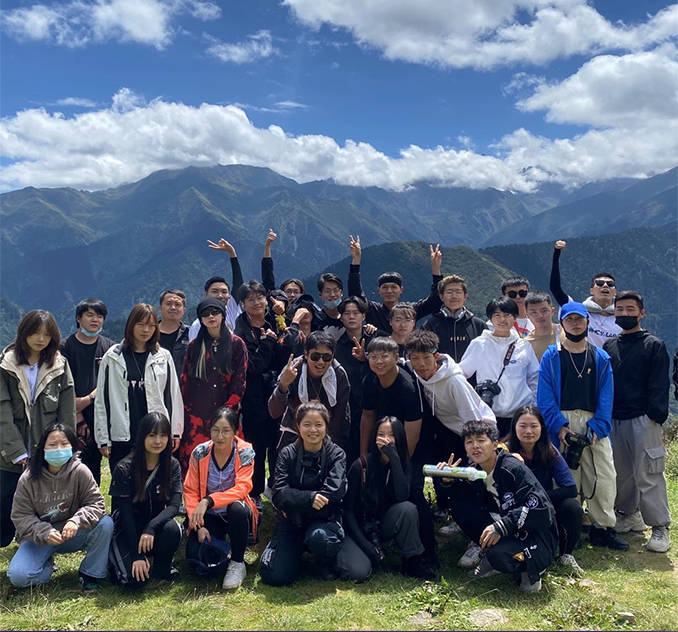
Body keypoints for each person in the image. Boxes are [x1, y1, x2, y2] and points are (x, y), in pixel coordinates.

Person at [537, 301, 628, 550]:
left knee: (603, 475)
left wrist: (598, 427)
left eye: (579, 319)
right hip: (561, 421)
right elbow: (544, 398)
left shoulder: (601, 357)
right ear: (562, 324)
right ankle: (571, 529)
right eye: (570, 319)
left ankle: (602, 527)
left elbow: (607, 397)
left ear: (588, 321)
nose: (575, 323)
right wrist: (558, 427)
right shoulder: (552, 356)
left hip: (593, 420)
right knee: (567, 479)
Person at [437, 420, 558, 593]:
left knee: (499, 556)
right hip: (509, 528)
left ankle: (533, 568)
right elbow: (459, 501)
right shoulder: (474, 471)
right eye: (469, 442)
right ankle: (490, 554)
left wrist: (502, 526)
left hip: (537, 535)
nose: (475, 446)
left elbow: (542, 509)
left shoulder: (512, 467)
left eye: (481, 440)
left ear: (495, 444)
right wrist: (447, 480)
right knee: (459, 504)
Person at [1, 310, 76, 548]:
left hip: (47, 449)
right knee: (5, 501)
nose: (41, 339)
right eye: (35, 332)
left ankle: (37, 548)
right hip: (9, 452)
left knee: (44, 503)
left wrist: (64, 447)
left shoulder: (59, 365)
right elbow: (2, 411)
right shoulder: (6, 365)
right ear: (24, 332)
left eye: (47, 334)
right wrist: (16, 451)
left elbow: (67, 411)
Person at [603, 291, 671, 553]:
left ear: (641, 313)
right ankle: (628, 514)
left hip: (644, 417)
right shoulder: (610, 346)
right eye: (620, 310)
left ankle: (660, 526)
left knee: (649, 473)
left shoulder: (653, 345)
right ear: (614, 313)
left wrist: (655, 415)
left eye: (630, 310)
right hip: (615, 418)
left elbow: (660, 383)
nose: (625, 314)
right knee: (622, 473)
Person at [8, 423, 113, 590]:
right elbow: (20, 515)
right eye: (52, 444)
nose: (58, 449)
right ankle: (47, 565)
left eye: (64, 444)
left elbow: (96, 503)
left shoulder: (81, 471)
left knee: (106, 524)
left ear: (72, 447)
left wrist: (76, 521)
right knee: (19, 577)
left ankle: (89, 574)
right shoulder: (28, 478)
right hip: (40, 538)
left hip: (73, 532)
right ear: (42, 448)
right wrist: (44, 532)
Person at [336, 416, 435, 582]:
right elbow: (347, 510)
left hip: (382, 525)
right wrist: (366, 545)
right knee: (358, 573)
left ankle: (412, 562)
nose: (386, 439)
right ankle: (341, 557)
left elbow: (402, 495)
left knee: (407, 509)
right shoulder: (360, 466)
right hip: (356, 529)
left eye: (391, 435)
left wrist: (394, 459)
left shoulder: (403, 464)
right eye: (381, 434)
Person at [259, 402, 347, 586]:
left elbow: (335, 491)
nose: (313, 430)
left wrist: (295, 502)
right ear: (298, 426)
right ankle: (293, 556)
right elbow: (279, 493)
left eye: (318, 425)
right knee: (274, 576)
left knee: (320, 538)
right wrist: (310, 498)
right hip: (292, 522)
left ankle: (324, 562)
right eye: (307, 424)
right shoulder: (287, 454)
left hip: (323, 520)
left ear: (326, 426)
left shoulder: (337, 454)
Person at [94, 303, 184, 474]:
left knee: (156, 483)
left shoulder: (163, 356)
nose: (146, 330)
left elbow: (173, 396)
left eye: (151, 325)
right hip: (123, 434)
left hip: (156, 434)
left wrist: (175, 432)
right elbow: (102, 401)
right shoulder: (113, 357)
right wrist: (103, 438)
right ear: (131, 325)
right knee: (123, 483)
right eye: (141, 324)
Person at [184, 407, 258, 590]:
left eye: (226, 431)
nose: (220, 436)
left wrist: (208, 500)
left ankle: (237, 562)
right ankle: (220, 548)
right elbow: (190, 490)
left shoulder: (245, 452)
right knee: (195, 558)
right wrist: (198, 526)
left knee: (238, 508)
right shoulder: (200, 452)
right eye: (215, 430)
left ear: (235, 431)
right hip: (209, 515)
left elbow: (243, 488)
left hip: (235, 513)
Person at [505, 406, 584, 575]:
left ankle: (566, 554)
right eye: (523, 426)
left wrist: (538, 498)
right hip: (511, 508)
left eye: (534, 426)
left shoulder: (550, 451)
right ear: (514, 427)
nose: (528, 431)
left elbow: (571, 489)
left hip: (542, 507)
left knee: (572, 507)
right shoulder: (504, 451)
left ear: (541, 428)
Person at [108, 412, 183, 588]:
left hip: (153, 526)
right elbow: (125, 514)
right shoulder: (124, 468)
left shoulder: (172, 465)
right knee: (134, 582)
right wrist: (136, 555)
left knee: (172, 528)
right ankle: (118, 560)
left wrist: (151, 528)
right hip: (127, 529)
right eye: (152, 435)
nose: (158, 441)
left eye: (163, 435)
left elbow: (174, 505)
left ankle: (162, 567)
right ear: (142, 436)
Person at [180, 298, 248, 474]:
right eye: (206, 313)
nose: (211, 316)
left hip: (226, 415)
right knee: (195, 463)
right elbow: (185, 381)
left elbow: (239, 381)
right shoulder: (194, 347)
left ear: (223, 315)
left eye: (215, 312)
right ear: (200, 319)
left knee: (227, 462)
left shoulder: (236, 344)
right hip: (196, 415)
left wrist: (228, 411)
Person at [459, 297, 539, 437]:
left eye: (507, 315)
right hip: (489, 416)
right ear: (490, 318)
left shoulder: (524, 346)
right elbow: (461, 374)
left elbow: (534, 378)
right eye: (497, 315)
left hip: (519, 416)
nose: (502, 319)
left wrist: (533, 404)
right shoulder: (479, 344)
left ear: (515, 317)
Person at [59, 298, 116, 484]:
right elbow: (60, 383)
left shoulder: (110, 348)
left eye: (99, 316)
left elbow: (112, 382)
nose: (95, 320)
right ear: (78, 318)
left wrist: (88, 399)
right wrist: (77, 415)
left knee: (94, 471)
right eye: (90, 315)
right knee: (70, 468)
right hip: (70, 417)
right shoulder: (65, 347)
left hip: (101, 416)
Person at [234, 280, 280, 510]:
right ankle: (254, 493)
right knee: (256, 449)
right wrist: (269, 342)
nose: (256, 303)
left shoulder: (276, 321)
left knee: (278, 446)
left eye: (259, 297)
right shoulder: (240, 332)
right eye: (250, 299)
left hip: (279, 394)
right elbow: (252, 366)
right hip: (254, 399)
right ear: (242, 304)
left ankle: (277, 488)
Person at [269, 331, 350, 452]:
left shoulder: (339, 374)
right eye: (315, 356)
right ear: (306, 354)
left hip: (328, 436)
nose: (321, 362)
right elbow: (274, 412)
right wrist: (283, 385)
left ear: (333, 357)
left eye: (326, 357)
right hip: (294, 434)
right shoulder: (293, 370)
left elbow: (340, 418)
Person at [348, 235, 443, 334]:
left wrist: (436, 269)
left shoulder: (410, 310)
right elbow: (356, 295)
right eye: (385, 287)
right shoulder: (373, 311)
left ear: (401, 289)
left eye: (393, 287)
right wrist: (355, 262)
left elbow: (435, 300)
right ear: (379, 290)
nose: (389, 291)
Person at [334, 296, 386, 464]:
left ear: (363, 316)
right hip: (347, 411)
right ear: (341, 317)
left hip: (376, 407)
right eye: (347, 313)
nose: (351, 317)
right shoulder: (336, 347)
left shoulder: (377, 339)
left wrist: (365, 359)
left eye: (356, 313)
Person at [550, 240, 621, 348]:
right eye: (600, 283)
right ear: (591, 290)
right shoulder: (579, 310)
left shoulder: (622, 317)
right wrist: (556, 253)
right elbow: (555, 288)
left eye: (610, 284)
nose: (605, 286)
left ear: (615, 292)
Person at [188, 236, 244, 339]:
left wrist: (232, 253)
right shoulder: (198, 325)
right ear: (205, 295)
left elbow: (238, 284)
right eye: (214, 291)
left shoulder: (231, 309)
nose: (220, 295)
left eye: (224, 292)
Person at [422, 274, 487, 362]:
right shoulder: (430, 325)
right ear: (441, 297)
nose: (454, 296)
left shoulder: (479, 325)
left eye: (458, 292)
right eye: (449, 292)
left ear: (465, 296)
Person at [158, 289, 190, 374]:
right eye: (168, 303)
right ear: (160, 308)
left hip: (182, 382)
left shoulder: (191, 334)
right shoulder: (149, 334)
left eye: (177, 304)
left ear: (184, 310)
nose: (173, 307)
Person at [525, 291, 560, 362]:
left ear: (552, 311)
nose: (540, 316)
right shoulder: (526, 344)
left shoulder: (566, 333)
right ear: (527, 315)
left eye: (544, 311)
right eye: (534, 312)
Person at [316, 272, 346, 340]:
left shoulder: (348, 317)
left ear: (341, 293)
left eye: (336, 290)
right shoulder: (317, 319)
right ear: (320, 294)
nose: (332, 295)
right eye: (327, 291)